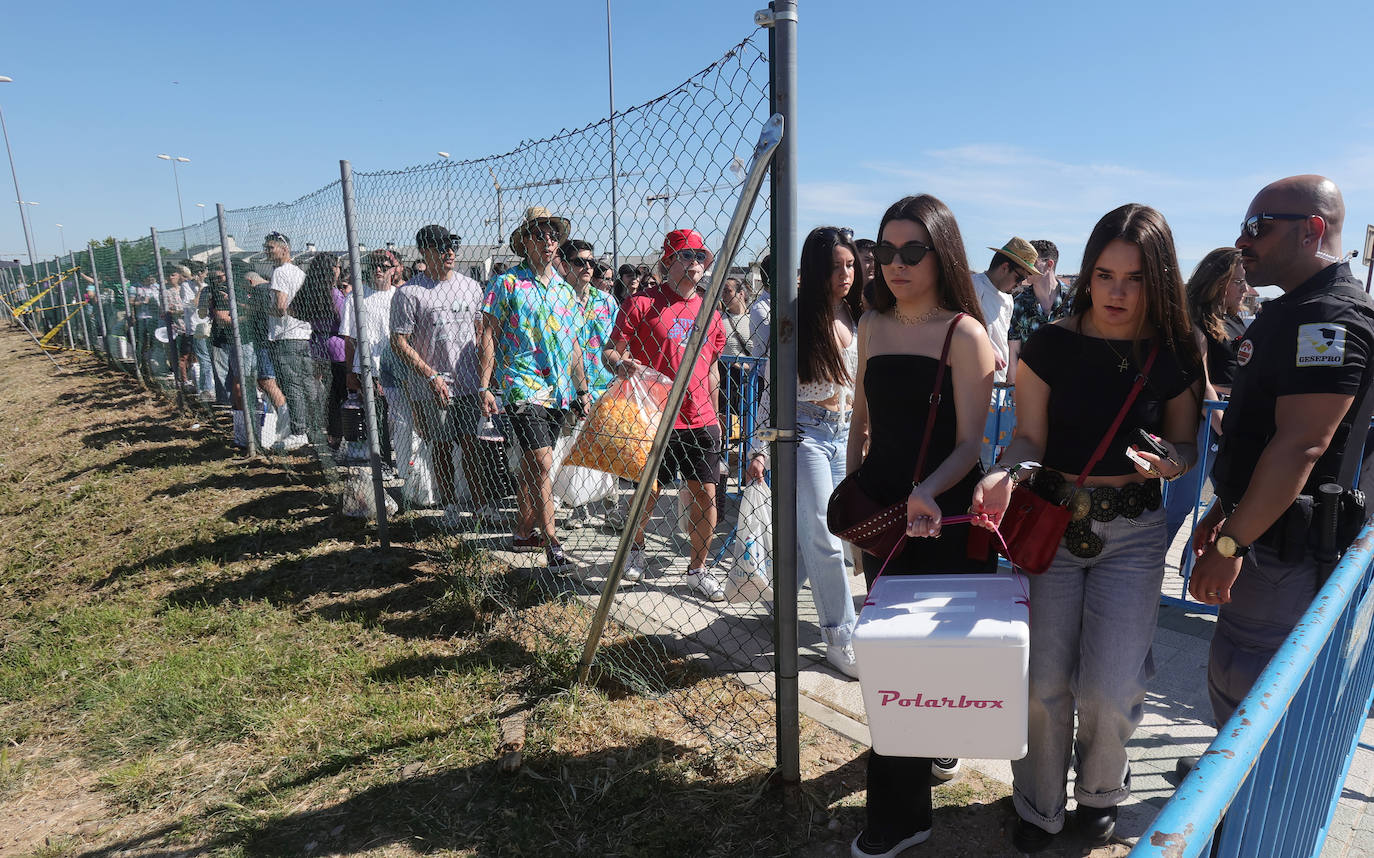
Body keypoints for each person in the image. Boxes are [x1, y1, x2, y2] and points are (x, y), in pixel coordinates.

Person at [970, 203, 1203, 852]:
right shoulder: (1049, 346)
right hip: (1051, 526)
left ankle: (1101, 791)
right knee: (1043, 683)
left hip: (1134, 535)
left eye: (1135, 278)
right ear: (1086, 275)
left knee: (1110, 687)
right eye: (1105, 275)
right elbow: (1027, 438)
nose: (1118, 292)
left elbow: (1184, 445)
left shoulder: (1176, 351)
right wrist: (1003, 473)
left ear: (1159, 281)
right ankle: (1038, 804)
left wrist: (1172, 460)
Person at [1190, 176, 1374, 731]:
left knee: (1254, 694)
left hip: (1286, 548)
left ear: (1313, 230)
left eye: (1258, 227)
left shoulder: (1330, 318)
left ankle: (1245, 815)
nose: (1243, 242)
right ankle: (1234, 810)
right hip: (1263, 531)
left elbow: (1302, 444)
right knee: (1235, 683)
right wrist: (1228, 509)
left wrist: (1231, 541)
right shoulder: (1291, 309)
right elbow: (1263, 433)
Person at [845, 195, 997, 858]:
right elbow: (859, 423)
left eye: (913, 251)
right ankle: (926, 759)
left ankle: (901, 814)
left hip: (942, 515)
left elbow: (971, 444)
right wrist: (854, 502)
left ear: (942, 255)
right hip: (884, 509)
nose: (896, 264)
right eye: (885, 250)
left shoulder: (965, 333)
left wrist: (924, 493)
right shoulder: (873, 323)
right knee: (895, 649)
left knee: (916, 653)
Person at [751, 226, 865, 675]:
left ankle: (778, 603)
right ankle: (840, 635)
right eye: (836, 266)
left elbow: (858, 384)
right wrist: (761, 445)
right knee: (824, 536)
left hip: (841, 432)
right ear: (816, 270)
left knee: (822, 532)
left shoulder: (854, 313)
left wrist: (864, 430)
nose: (846, 274)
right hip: (804, 432)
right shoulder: (797, 317)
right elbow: (772, 382)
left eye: (851, 265)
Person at [602, 228, 727, 597]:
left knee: (705, 493)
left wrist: (717, 419)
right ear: (668, 260)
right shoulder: (641, 303)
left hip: (699, 418)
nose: (696, 263)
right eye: (687, 256)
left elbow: (713, 367)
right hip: (653, 416)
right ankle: (635, 549)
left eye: (701, 256)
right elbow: (610, 352)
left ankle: (698, 568)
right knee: (648, 492)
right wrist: (621, 365)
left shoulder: (710, 309)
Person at [480, 208, 589, 570]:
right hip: (522, 384)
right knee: (543, 461)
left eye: (553, 236)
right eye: (539, 235)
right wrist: (485, 385)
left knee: (534, 464)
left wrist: (582, 389)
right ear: (524, 242)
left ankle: (524, 530)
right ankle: (552, 544)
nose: (548, 241)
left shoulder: (564, 290)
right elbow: (489, 335)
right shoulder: (506, 283)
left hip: (558, 389)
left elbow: (573, 345)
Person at [391, 225, 500, 527]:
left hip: (467, 384)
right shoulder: (409, 293)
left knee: (472, 444)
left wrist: (484, 382)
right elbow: (399, 341)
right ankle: (450, 505)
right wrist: (429, 375)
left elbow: (480, 335)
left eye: (452, 245)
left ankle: (480, 504)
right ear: (424, 252)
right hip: (432, 387)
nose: (449, 252)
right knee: (440, 446)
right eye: (440, 247)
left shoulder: (471, 287)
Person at [1162, 247, 1249, 543]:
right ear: (1218, 282)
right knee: (1181, 504)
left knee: (1229, 500)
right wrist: (1223, 426)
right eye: (1238, 282)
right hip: (1206, 418)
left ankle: (1192, 561)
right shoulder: (1195, 322)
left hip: (1231, 414)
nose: (1245, 289)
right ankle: (1148, 567)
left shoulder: (1237, 321)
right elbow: (1201, 382)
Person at [559, 238, 618, 529]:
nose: (587, 267)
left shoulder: (606, 301)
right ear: (565, 265)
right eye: (579, 261)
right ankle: (576, 507)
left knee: (609, 448)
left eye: (591, 262)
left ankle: (611, 505)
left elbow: (620, 340)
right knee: (573, 448)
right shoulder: (558, 300)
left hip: (604, 384)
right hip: (568, 387)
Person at [263, 232, 312, 452]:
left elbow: (281, 307)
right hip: (303, 333)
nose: (267, 251)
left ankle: (299, 432)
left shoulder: (280, 272)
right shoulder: (299, 272)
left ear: (285, 248)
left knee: (292, 387)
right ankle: (307, 428)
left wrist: (263, 309)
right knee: (305, 385)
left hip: (287, 336)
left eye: (271, 247)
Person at [973, 237, 1038, 384]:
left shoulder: (1009, 300)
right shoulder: (974, 286)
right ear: (1004, 267)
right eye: (1019, 278)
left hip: (997, 384)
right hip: (973, 381)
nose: (1020, 284)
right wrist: (987, 351)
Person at [1006, 239, 1068, 385]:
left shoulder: (1073, 300)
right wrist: (1014, 388)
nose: (1025, 267)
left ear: (1049, 264)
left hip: (1068, 387)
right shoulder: (1018, 304)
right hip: (1030, 388)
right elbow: (1013, 352)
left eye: (1031, 262)